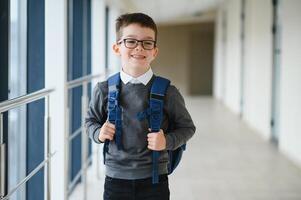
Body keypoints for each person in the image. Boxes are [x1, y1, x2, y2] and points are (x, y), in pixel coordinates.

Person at [85, 12, 195, 200]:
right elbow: (90, 122)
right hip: (115, 180)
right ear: (117, 48)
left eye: (147, 42)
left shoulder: (168, 92)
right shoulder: (103, 90)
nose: (139, 48)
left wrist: (166, 141)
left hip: (154, 181)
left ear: (155, 51)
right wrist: (98, 133)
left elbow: (187, 128)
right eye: (131, 41)